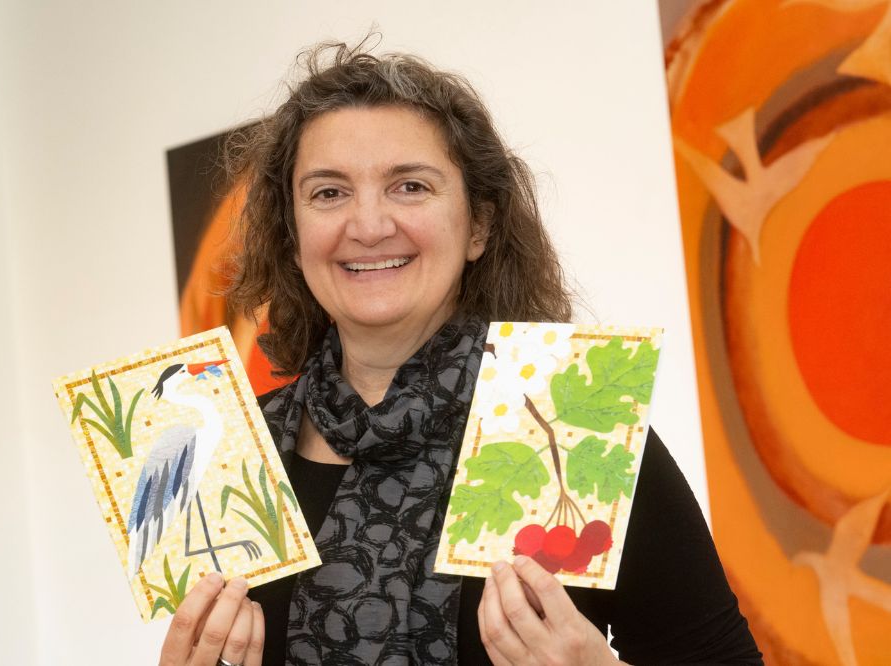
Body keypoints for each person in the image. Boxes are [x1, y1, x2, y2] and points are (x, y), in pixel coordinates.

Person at [157, 40, 763, 666]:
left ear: (478, 225)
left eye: (410, 186)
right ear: (291, 237)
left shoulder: (576, 429)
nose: (368, 225)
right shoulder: (226, 458)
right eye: (329, 193)